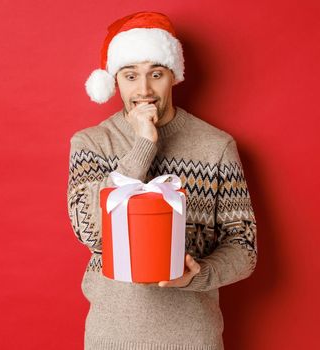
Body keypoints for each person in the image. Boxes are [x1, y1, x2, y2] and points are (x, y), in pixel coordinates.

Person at [67, 11, 258, 349]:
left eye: (156, 74)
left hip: (192, 338)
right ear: (114, 81)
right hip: (111, 338)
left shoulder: (216, 147)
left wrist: (198, 274)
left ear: (173, 76)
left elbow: (243, 247)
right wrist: (143, 146)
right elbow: (88, 229)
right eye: (130, 76)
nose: (144, 89)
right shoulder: (92, 143)